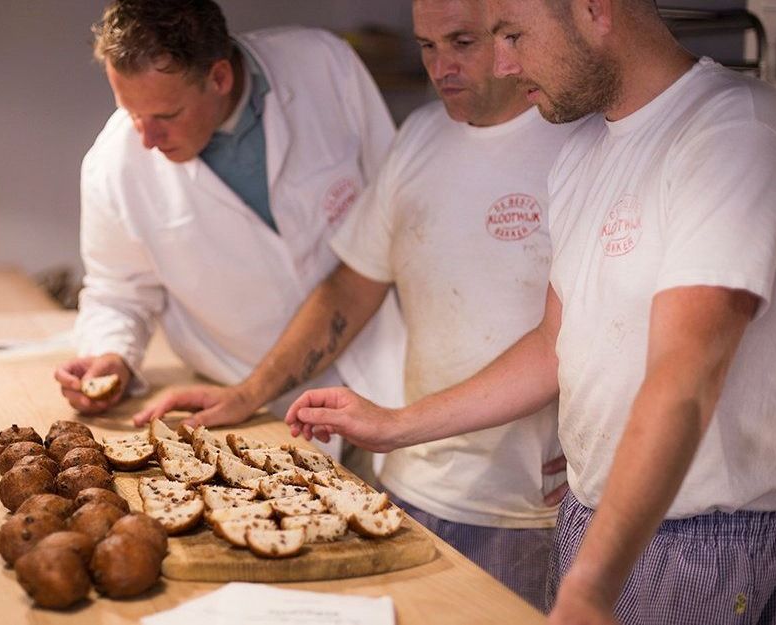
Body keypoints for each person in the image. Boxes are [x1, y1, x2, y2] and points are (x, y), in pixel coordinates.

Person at [286, 0, 776, 622]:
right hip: (592, 517)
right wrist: (396, 424)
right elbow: (554, 343)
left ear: (593, 10)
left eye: (512, 34)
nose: (501, 62)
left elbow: (687, 378)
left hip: (696, 538)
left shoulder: (733, 131)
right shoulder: (586, 151)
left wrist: (592, 583)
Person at [135, 0, 579, 608]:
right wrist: (248, 393)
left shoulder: (578, 138)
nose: (441, 67)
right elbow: (350, 287)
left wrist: (609, 441)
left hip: (530, 507)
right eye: (427, 46)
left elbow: (630, 320)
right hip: (412, 483)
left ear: (512, 34)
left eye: (463, 43)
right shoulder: (422, 135)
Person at [53, 0, 406, 479]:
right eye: (129, 111)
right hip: (251, 411)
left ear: (219, 77)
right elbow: (118, 294)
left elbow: (398, 206)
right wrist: (111, 355)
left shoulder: (324, 65)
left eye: (165, 114)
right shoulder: (112, 167)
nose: (146, 138)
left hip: (390, 379)